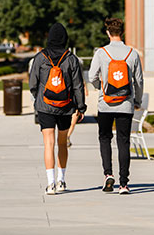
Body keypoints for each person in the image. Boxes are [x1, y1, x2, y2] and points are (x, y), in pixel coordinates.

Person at [29, 23, 86, 195]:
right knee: (62, 143)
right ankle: (62, 180)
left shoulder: (40, 58)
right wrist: (80, 107)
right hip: (65, 107)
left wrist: (38, 98)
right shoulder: (71, 59)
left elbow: (33, 83)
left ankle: (50, 183)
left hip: (45, 106)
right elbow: (78, 86)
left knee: (48, 144)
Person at [89, 17, 143, 195]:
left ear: (107, 32)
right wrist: (137, 101)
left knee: (105, 138)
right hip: (126, 104)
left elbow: (92, 77)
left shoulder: (101, 53)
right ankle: (124, 184)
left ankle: (107, 174)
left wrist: (101, 88)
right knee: (123, 142)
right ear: (123, 32)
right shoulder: (132, 53)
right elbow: (139, 81)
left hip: (105, 104)